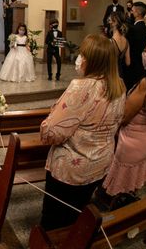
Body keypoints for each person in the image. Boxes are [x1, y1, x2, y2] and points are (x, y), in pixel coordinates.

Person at [39, 33, 126, 230]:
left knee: (54, 218)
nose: (80, 59)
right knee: (77, 209)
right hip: (100, 163)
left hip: (71, 168)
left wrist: (50, 118)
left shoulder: (82, 87)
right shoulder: (119, 85)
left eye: (83, 55)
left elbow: (51, 133)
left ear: (92, 61)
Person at [102, 37, 146, 203]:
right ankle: (128, 201)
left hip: (132, 142)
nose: (143, 54)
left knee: (117, 187)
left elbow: (124, 117)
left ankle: (118, 211)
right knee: (131, 182)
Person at [125, 1, 146, 89]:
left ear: (138, 13)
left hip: (132, 69)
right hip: (142, 69)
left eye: (132, 10)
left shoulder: (133, 29)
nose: (131, 12)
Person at [109, 12, 130, 79]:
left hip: (112, 75)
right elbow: (128, 62)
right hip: (121, 76)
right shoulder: (126, 41)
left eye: (109, 20)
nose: (109, 22)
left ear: (114, 23)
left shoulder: (110, 42)